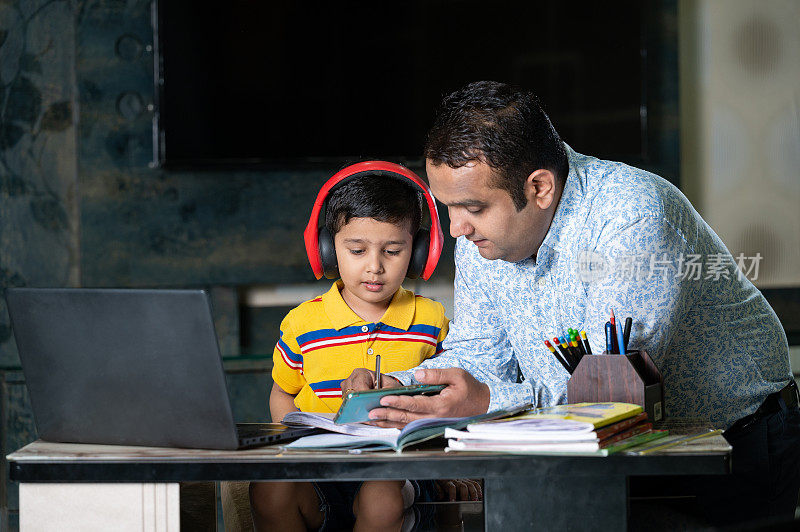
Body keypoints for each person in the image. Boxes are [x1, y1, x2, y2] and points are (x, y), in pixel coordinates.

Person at [342, 81, 800, 525]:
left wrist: (484, 401)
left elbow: (612, 393)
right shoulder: (481, 241)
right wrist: (397, 391)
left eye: (474, 208)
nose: (456, 227)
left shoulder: (633, 216)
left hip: (729, 448)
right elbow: (481, 355)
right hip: (583, 453)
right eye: (447, 207)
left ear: (539, 187)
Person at [249, 161, 480, 532]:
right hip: (319, 474)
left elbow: (447, 402)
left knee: (381, 497)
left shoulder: (432, 320)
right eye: (357, 250)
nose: (375, 267)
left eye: (392, 251)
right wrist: (289, 454)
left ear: (420, 252)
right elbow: (283, 393)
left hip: (398, 473)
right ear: (327, 248)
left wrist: (447, 465)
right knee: (270, 491)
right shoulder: (302, 323)